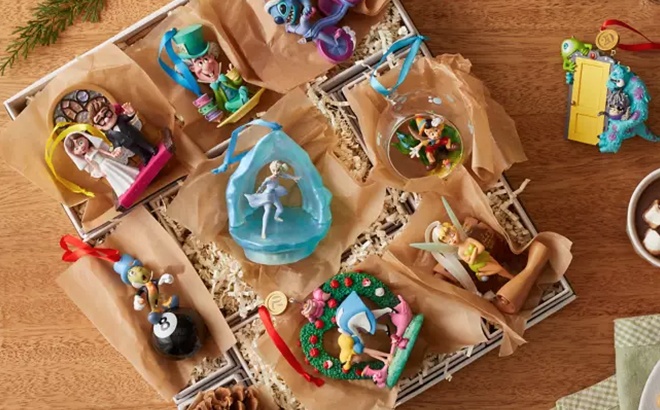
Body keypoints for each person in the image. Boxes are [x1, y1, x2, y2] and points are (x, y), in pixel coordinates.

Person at [63, 131, 139, 197]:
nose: (81, 148)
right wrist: (99, 171)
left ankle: (131, 177)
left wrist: (111, 154)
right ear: (74, 153)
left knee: (119, 169)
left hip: (107, 161)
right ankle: (124, 186)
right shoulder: (86, 157)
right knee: (113, 176)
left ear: (85, 138)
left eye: (80, 143)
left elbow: (102, 151)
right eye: (76, 149)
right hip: (102, 166)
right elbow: (93, 165)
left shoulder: (93, 148)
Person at [87, 100, 157, 165]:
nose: (107, 119)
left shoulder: (120, 119)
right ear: (97, 126)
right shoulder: (109, 134)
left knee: (143, 142)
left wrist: (130, 113)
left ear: (111, 108)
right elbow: (114, 141)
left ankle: (151, 148)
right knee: (137, 150)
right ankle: (144, 156)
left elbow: (127, 117)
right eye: (100, 120)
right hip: (127, 144)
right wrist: (117, 147)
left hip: (134, 135)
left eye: (107, 113)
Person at [245, 160, 300, 239]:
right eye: (274, 170)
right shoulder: (268, 179)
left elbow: (286, 175)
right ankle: (263, 232)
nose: (276, 173)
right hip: (267, 196)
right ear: (271, 170)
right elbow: (262, 185)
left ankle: (276, 217)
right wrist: (258, 191)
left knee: (280, 209)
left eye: (278, 171)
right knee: (267, 212)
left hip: (274, 194)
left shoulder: (278, 175)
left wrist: (294, 178)